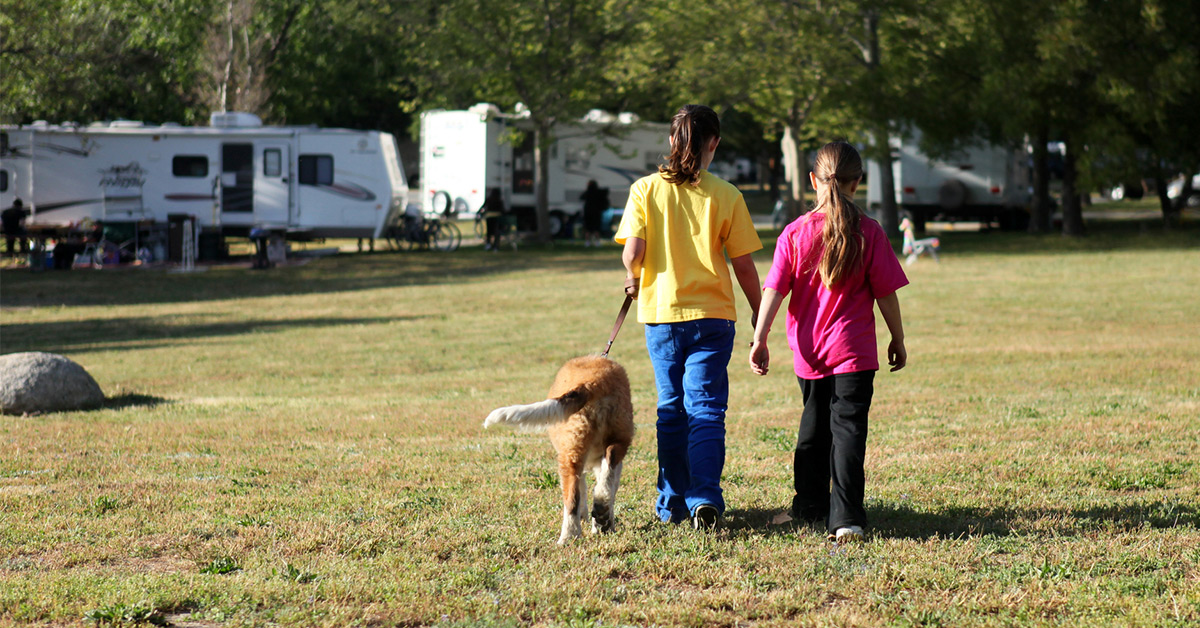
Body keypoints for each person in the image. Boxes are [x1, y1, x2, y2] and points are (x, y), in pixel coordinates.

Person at [748, 141, 908, 544]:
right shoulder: (868, 231)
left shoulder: (795, 232)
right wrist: (898, 337)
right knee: (849, 430)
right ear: (857, 183)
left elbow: (773, 290)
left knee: (813, 429)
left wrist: (759, 337)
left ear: (812, 181)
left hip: (809, 352)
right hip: (854, 352)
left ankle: (810, 506)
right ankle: (846, 518)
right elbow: (887, 293)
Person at [615, 104, 763, 530]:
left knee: (672, 409)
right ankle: (705, 499)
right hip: (714, 318)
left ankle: (671, 505)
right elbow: (744, 266)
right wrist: (758, 313)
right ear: (713, 144)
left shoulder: (645, 189)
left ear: (671, 141)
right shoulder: (727, 195)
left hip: (661, 317)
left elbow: (633, 253)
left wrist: (632, 274)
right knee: (707, 408)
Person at [580, 180, 609, 247]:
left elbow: (581, 197)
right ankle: (597, 242)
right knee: (596, 228)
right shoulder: (599, 192)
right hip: (596, 213)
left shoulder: (588, 193)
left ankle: (587, 242)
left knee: (588, 228)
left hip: (588, 213)